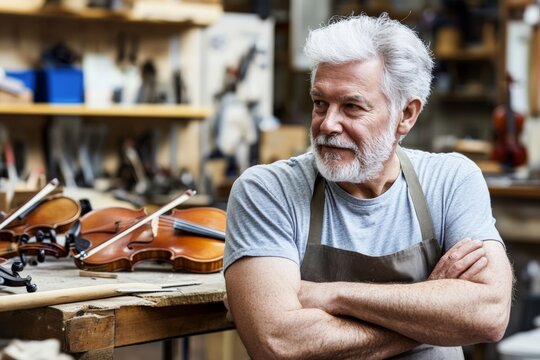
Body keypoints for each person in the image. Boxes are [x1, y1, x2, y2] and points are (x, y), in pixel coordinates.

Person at [223, 13, 513, 359]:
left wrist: (333, 295)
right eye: (320, 103)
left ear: (406, 115)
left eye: (351, 107)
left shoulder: (451, 180)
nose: (328, 124)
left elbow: (489, 315)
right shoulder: (268, 191)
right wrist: (432, 309)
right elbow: (279, 344)